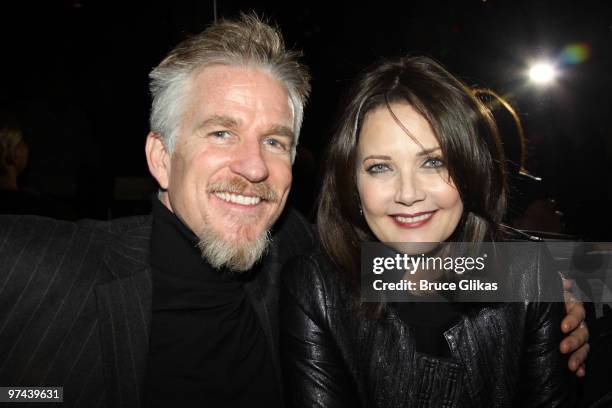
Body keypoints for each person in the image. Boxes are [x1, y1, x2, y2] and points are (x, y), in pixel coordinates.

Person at [0, 14, 313, 407]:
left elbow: (401, 273)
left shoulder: (295, 249)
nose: (254, 167)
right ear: (161, 158)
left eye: (273, 141)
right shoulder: (40, 267)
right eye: (222, 133)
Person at [280, 56, 584, 407]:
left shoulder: (528, 274)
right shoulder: (316, 288)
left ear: (469, 171)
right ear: (352, 185)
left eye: (433, 162)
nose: (408, 194)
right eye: (380, 167)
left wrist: (580, 298)